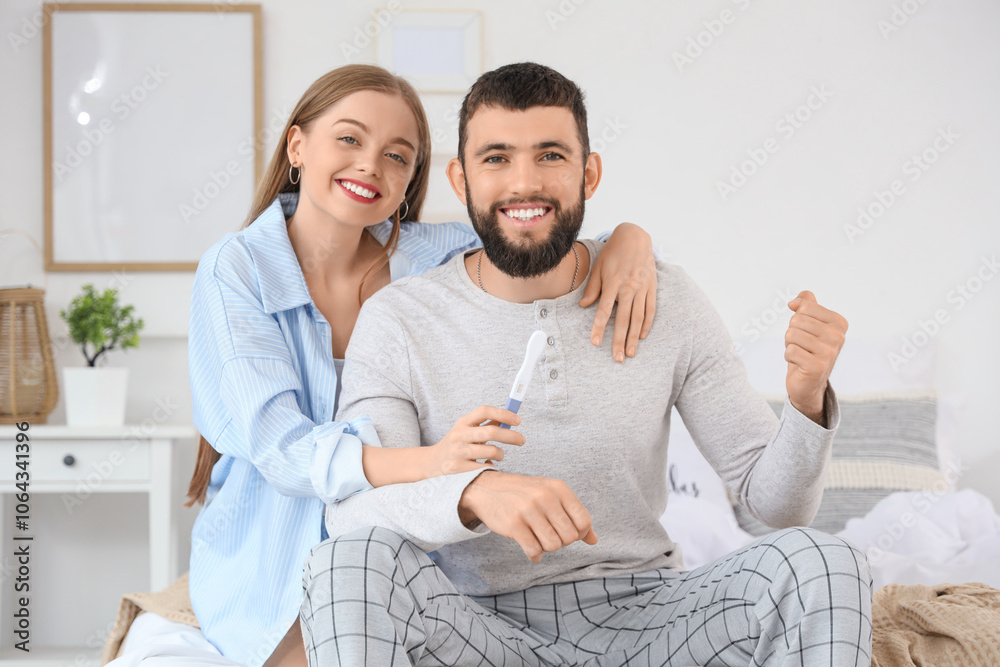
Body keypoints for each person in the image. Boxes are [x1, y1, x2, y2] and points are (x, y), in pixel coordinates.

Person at [302, 62, 873, 666]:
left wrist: (808, 399)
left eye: (550, 155)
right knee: (349, 560)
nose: (524, 182)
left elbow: (777, 507)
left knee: (823, 559)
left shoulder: (664, 298)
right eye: (496, 158)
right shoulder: (399, 319)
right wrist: (473, 493)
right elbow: (355, 513)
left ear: (589, 173)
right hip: (479, 630)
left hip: (654, 620)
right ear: (460, 179)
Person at [184, 64, 661, 667]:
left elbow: (536, 234)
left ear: (412, 179)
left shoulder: (431, 253)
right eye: (350, 139)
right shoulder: (237, 270)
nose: (370, 167)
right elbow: (283, 450)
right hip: (274, 550)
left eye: (397, 156)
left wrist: (630, 238)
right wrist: (440, 466)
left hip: (403, 552)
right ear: (298, 145)